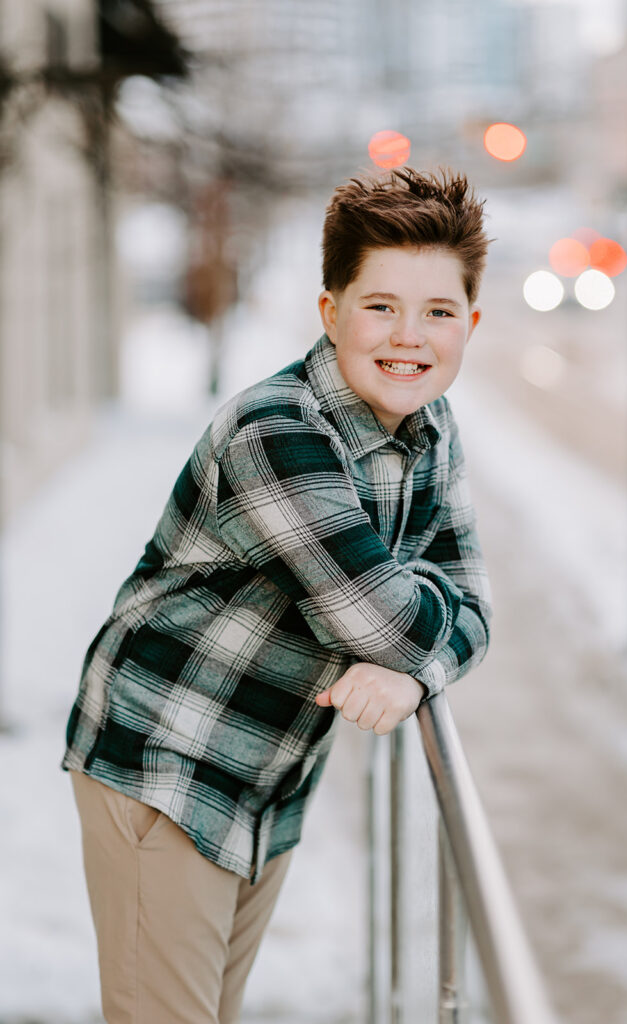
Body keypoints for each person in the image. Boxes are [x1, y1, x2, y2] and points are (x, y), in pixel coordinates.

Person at [61, 166, 493, 1024]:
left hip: (269, 769)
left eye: (438, 312)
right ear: (329, 312)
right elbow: (384, 620)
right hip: (170, 757)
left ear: (470, 324)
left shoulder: (429, 427)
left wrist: (414, 675)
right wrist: (419, 644)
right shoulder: (279, 433)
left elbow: (473, 605)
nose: (410, 336)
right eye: (380, 306)